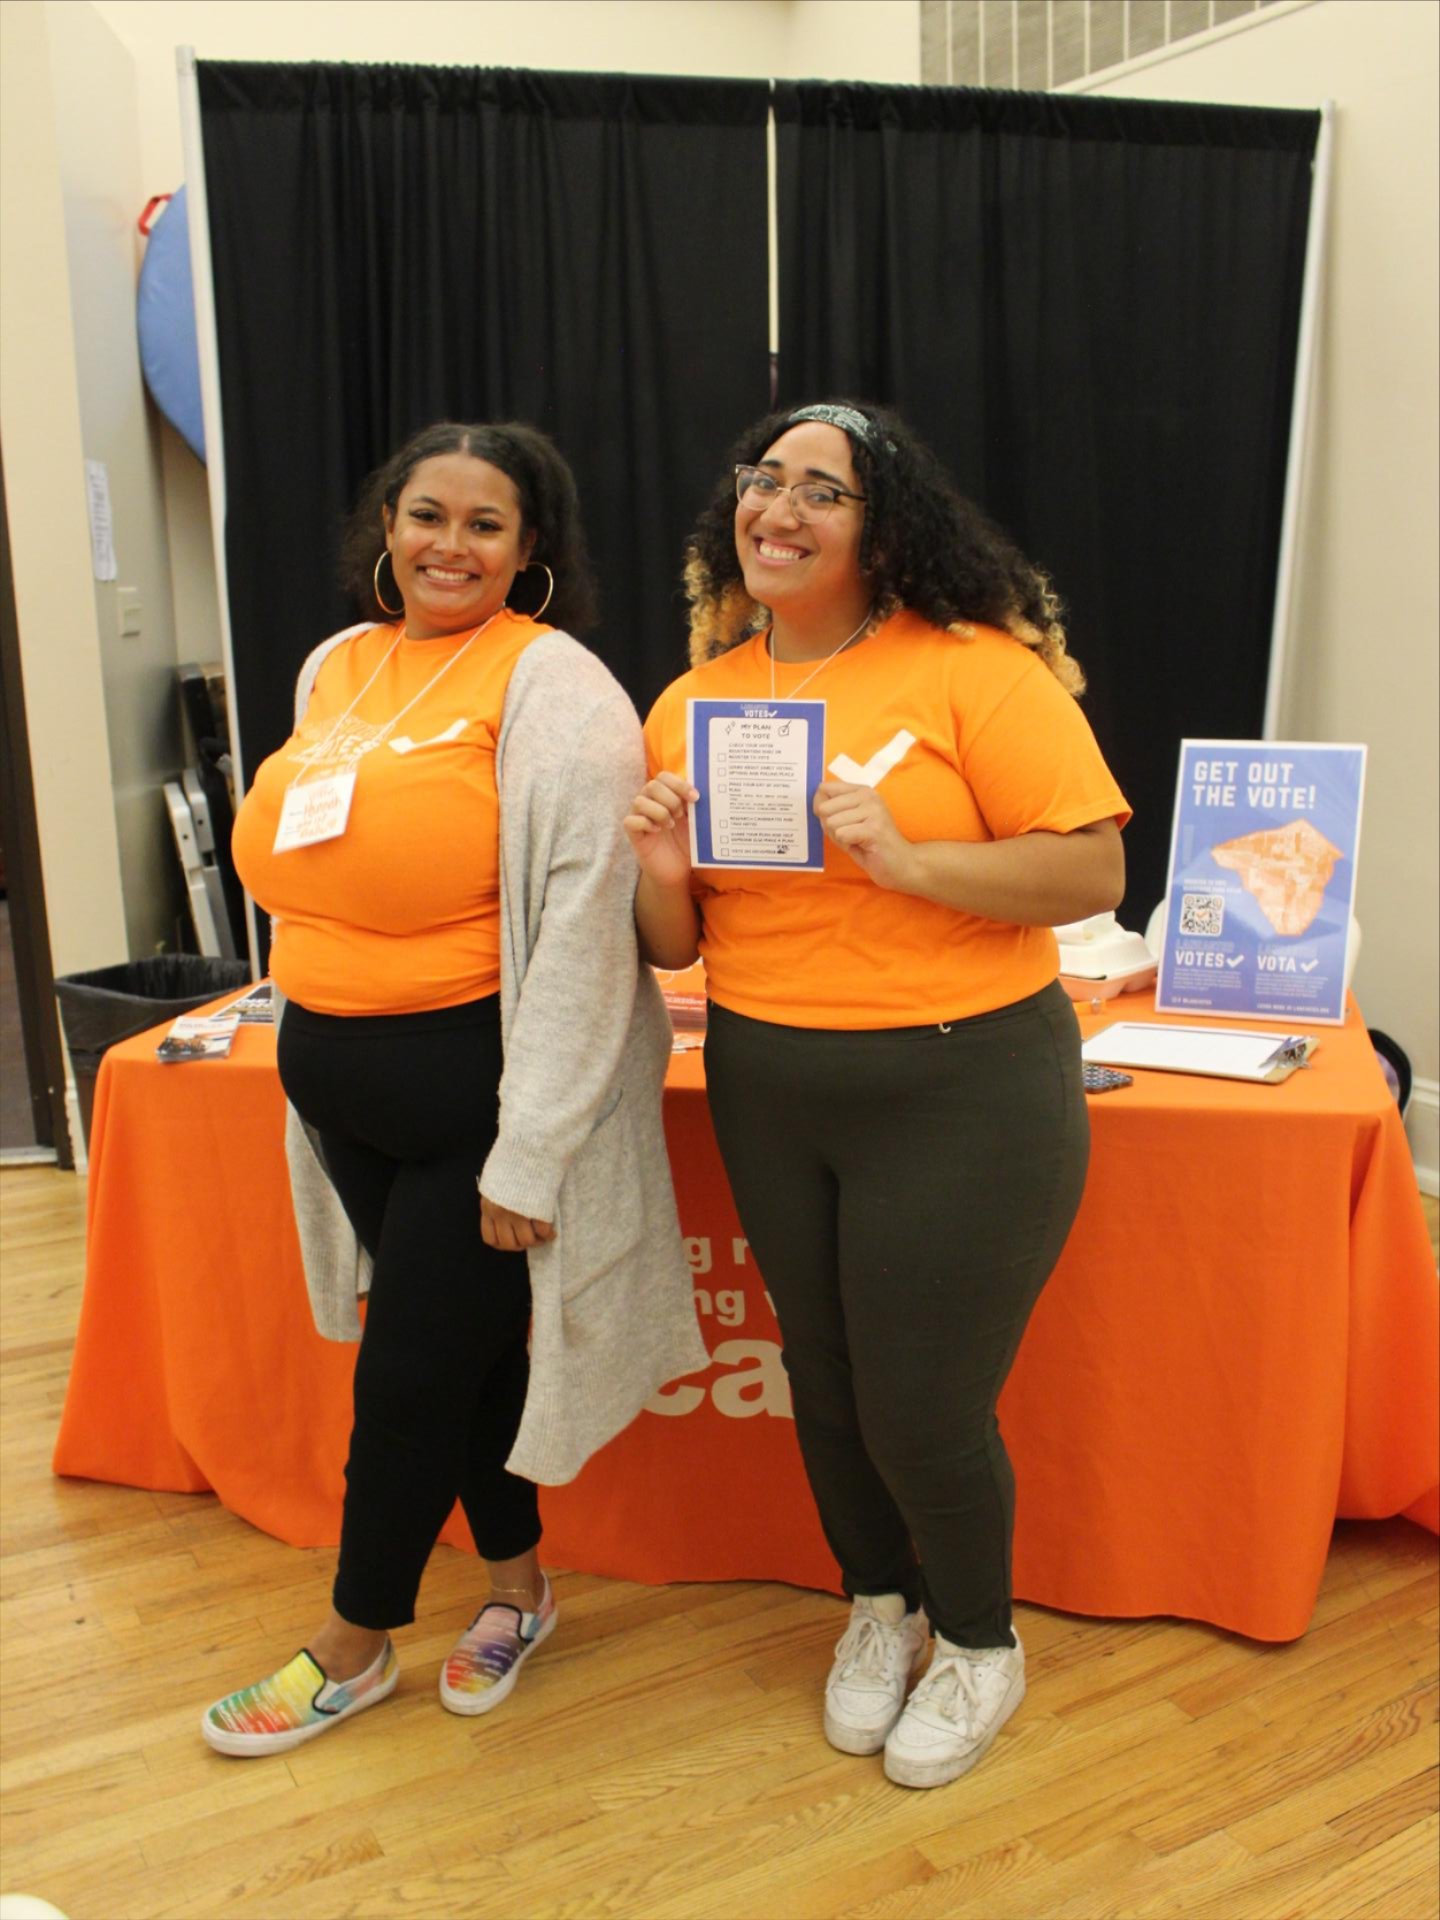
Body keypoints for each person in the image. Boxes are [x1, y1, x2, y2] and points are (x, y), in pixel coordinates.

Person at [626, 401, 1130, 1790]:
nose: (779, 509)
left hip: (962, 1084)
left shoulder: (974, 672)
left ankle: (977, 1642)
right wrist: (660, 869)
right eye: (764, 480)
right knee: (827, 1382)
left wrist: (910, 864)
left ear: (884, 527)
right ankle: (880, 1603)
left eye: (822, 491)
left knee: (922, 1405)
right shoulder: (694, 701)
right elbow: (676, 945)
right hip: (769, 1079)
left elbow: (1092, 871)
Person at [210, 420, 706, 1756]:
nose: (450, 545)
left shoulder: (559, 690)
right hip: (338, 1087)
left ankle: (353, 1643)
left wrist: (530, 1151)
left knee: (408, 1379)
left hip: (475, 1109)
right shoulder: (338, 665)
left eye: (487, 525)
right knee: (464, 1358)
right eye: (428, 514)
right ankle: (519, 1589)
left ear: (529, 549)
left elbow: (591, 936)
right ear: (388, 524)